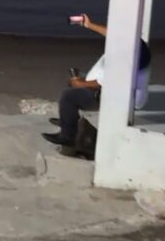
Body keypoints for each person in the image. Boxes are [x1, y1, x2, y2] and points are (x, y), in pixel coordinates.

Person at [42, 13, 153, 150]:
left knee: (68, 96)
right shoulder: (132, 41)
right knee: (72, 82)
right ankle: (68, 121)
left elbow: (107, 83)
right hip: (113, 86)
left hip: (118, 97)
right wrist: (89, 25)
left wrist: (81, 83)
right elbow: (110, 34)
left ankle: (68, 136)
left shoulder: (128, 55)